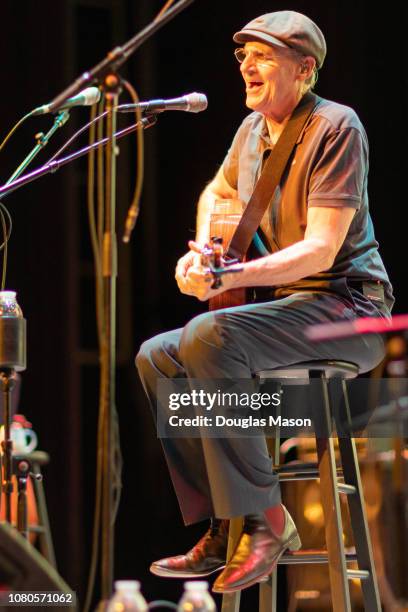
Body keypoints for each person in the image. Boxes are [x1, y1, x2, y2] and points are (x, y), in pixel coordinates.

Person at [136, 10, 394, 594]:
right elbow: (219, 190)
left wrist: (233, 276)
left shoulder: (337, 127)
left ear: (304, 70)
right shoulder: (251, 134)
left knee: (209, 334)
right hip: (289, 311)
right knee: (158, 355)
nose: (247, 66)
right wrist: (206, 252)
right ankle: (227, 525)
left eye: (263, 55)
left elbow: (323, 251)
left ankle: (266, 519)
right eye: (242, 56)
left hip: (349, 311)